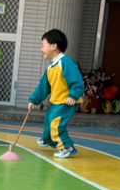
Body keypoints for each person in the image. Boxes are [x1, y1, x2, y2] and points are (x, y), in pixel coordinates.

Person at [28, 29, 84, 159]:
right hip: (57, 101)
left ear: (53, 46)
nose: (41, 49)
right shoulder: (51, 67)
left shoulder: (66, 62)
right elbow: (43, 87)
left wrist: (73, 96)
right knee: (49, 119)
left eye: (43, 45)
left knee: (56, 122)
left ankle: (66, 146)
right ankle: (49, 140)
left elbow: (77, 81)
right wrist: (34, 100)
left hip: (67, 101)